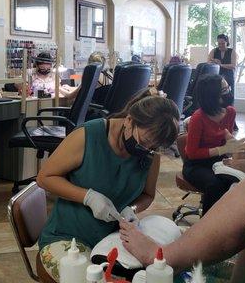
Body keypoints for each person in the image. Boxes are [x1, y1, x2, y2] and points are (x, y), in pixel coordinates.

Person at [36, 89, 180, 281]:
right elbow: (45, 177)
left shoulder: (149, 154)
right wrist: (87, 197)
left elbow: (147, 194)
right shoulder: (89, 136)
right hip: (67, 238)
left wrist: (132, 208)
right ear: (129, 120)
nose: (147, 150)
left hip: (111, 239)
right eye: (145, 142)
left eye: (154, 148)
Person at [182, 74, 245, 214]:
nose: (228, 93)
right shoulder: (198, 118)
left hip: (219, 161)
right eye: (224, 90)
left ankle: (230, 219)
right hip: (196, 165)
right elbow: (192, 153)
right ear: (212, 96)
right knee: (215, 185)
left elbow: (228, 140)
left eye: (228, 88)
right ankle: (207, 226)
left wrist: (234, 146)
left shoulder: (230, 112)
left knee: (241, 178)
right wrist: (222, 149)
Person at [208, 34, 237, 106]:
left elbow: (233, 66)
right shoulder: (213, 51)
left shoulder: (232, 52)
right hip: (216, 79)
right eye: (219, 43)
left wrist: (220, 65)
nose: (220, 45)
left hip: (229, 78)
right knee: (216, 99)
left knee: (229, 98)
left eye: (223, 43)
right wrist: (214, 61)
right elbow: (208, 63)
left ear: (227, 42)